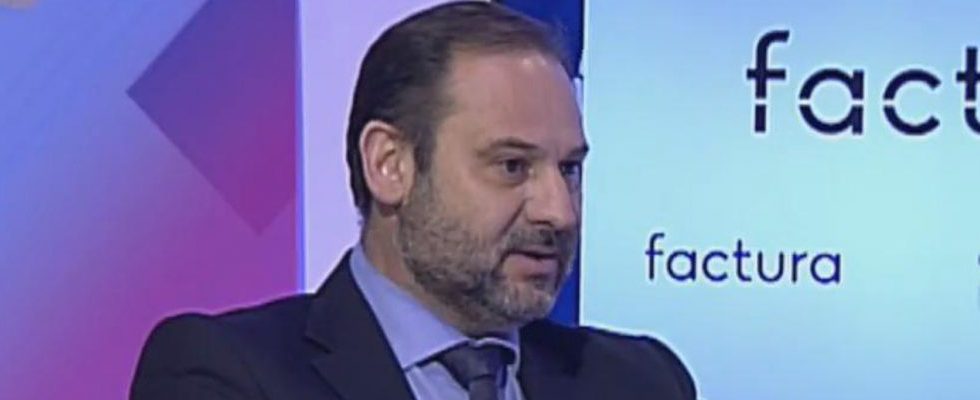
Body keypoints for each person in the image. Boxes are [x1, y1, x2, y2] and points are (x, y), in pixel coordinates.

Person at [130, 2, 696, 399]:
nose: (559, 211)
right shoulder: (226, 374)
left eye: (569, 169)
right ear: (389, 165)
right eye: (512, 166)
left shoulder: (639, 382)